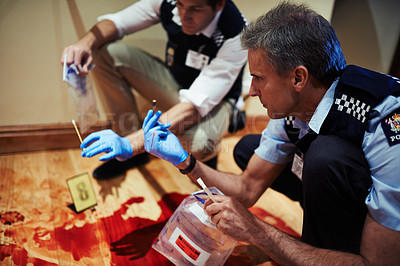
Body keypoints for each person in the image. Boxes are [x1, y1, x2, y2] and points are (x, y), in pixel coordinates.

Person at [141, 2, 400, 264]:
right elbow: (247, 188)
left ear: (298, 78)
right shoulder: (293, 106)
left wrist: (258, 231)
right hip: (346, 180)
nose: (252, 91)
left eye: (258, 78)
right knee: (247, 148)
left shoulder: (385, 121)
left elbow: (377, 263)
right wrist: (185, 161)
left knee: (324, 156)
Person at [61, 0, 247, 177]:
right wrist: (84, 43)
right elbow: (119, 22)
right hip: (178, 84)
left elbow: (193, 108)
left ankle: (208, 158)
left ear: (219, 4)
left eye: (195, 9)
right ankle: (133, 147)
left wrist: (130, 144)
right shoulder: (168, 2)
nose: (184, 15)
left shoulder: (236, 34)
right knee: (103, 51)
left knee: (197, 143)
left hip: (217, 101)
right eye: (181, 4)